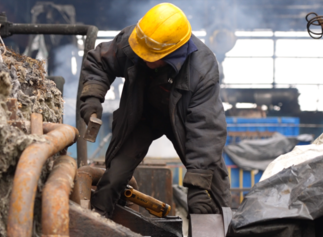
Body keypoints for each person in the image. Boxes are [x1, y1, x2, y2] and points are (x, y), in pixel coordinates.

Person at [79, 2, 233, 218]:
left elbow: (207, 129)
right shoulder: (139, 39)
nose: (141, 57)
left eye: (149, 56)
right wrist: (92, 97)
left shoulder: (202, 68)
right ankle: (97, 222)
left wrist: (198, 182)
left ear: (171, 52)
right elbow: (99, 62)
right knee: (114, 177)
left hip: (184, 120)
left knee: (209, 189)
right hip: (141, 115)